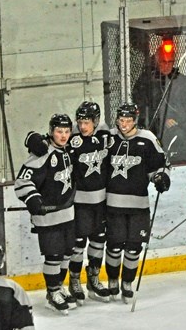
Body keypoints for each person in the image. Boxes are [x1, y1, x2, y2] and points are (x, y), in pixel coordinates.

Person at [26, 102, 112, 303]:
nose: (83, 127)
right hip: (79, 202)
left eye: (87, 122)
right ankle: (74, 280)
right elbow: (44, 138)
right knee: (78, 244)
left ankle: (93, 279)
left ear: (96, 121)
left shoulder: (106, 135)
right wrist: (32, 140)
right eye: (80, 122)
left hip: (101, 202)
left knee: (99, 241)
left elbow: (129, 132)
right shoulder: (70, 136)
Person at [106, 102, 171, 303]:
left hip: (138, 205)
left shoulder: (148, 139)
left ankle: (127, 282)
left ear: (135, 121)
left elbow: (159, 166)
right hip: (113, 205)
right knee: (115, 246)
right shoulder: (108, 138)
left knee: (134, 247)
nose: (123, 124)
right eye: (121, 120)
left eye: (127, 120)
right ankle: (112, 280)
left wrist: (161, 178)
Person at [15, 113, 76, 315]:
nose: (63, 135)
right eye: (59, 131)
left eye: (67, 131)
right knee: (54, 256)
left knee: (67, 253)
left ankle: (59, 286)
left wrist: (32, 137)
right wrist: (32, 198)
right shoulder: (42, 153)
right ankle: (52, 293)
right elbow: (22, 181)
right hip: (48, 217)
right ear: (51, 132)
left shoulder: (68, 149)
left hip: (67, 214)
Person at [139, 39, 186, 163]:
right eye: (163, 62)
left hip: (182, 120)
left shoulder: (180, 80)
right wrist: (163, 120)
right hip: (161, 126)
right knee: (180, 136)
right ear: (157, 61)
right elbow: (146, 108)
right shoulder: (149, 82)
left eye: (170, 62)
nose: (167, 65)